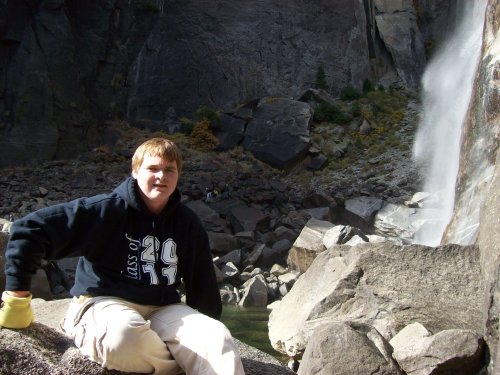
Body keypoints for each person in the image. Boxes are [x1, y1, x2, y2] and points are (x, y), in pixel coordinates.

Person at [0, 137, 245, 375]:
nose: (162, 176)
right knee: (123, 338)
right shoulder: (106, 210)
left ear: (178, 176)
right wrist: (17, 298)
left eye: (170, 170)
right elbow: (29, 229)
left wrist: (206, 327)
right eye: (153, 168)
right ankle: (182, 365)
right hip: (104, 301)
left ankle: (180, 359)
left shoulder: (187, 224)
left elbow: (202, 284)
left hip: (163, 308)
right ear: (135, 171)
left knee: (216, 339)